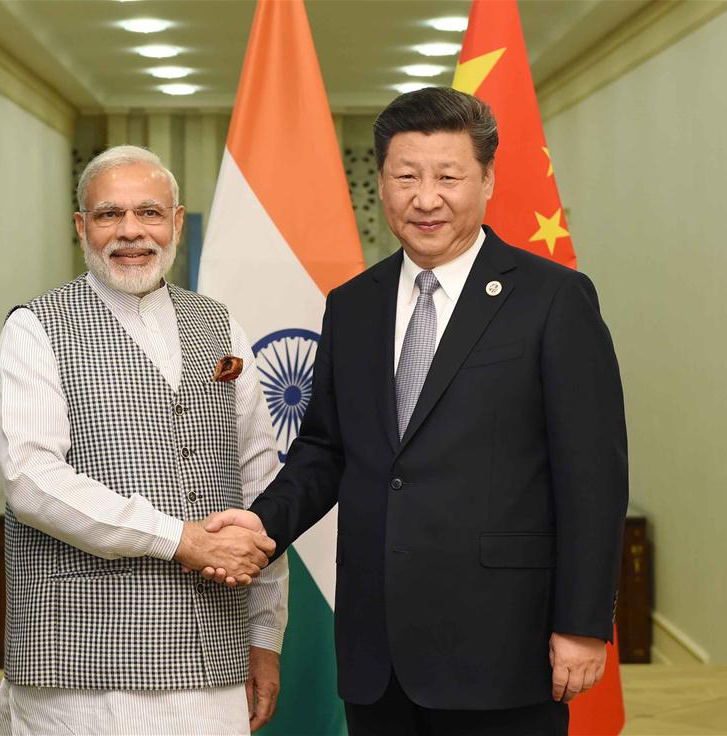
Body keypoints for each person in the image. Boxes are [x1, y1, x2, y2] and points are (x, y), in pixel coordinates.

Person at [204, 87, 628, 735]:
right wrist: (262, 528)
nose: (425, 198)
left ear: (486, 180)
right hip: (378, 649)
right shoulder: (353, 305)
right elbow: (325, 449)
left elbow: (592, 478)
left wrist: (581, 624)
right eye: (406, 176)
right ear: (381, 183)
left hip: (504, 644)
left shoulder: (552, 300)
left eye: (448, 176)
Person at [0, 145, 288, 735]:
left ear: (176, 222)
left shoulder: (220, 325)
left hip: (211, 652)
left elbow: (260, 486)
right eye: (109, 215)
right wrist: (180, 540)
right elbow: (30, 479)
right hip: (79, 663)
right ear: (82, 228)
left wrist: (266, 635)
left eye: (149, 213)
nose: (131, 232)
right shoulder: (35, 327)